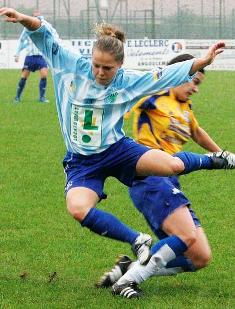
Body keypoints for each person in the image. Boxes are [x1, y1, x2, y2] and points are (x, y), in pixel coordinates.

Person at [1, 8, 234, 270]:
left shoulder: (128, 81)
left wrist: (202, 61)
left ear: (119, 65)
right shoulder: (70, 65)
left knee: (172, 166)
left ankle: (216, 160)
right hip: (82, 161)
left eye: (108, 68)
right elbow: (45, 34)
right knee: (77, 208)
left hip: (117, 150)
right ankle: (137, 240)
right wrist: (24, 19)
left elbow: (165, 75)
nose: (100, 72)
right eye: (97, 65)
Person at [95, 55, 233, 298]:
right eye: (193, 81)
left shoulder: (184, 107)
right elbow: (119, 99)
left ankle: (131, 268)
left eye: (198, 84)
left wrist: (223, 155)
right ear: (178, 75)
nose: (194, 89)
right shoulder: (152, 96)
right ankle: (128, 281)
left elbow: (197, 133)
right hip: (149, 178)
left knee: (200, 256)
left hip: (170, 182)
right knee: (186, 235)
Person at [14, 10, 49, 103]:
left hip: (41, 57)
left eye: (39, 17)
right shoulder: (27, 29)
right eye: (35, 17)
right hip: (30, 57)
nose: (37, 18)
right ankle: (17, 97)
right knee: (24, 77)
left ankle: (42, 97)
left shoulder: (44, 28)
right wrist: (17, 54)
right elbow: (21, 41)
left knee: (44, 75)